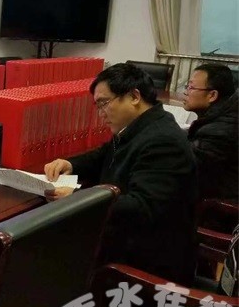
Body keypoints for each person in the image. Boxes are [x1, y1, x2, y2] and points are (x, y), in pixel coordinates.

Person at [44, 63, 197, 285]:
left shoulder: (163, 141)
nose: (100, 114)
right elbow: (105, 154)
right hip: (126, 242)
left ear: (134, 96)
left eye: (104, 103)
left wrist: (78, 198)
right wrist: (70, 164)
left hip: (145, 267)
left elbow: (141, 207)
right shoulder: (141, 126)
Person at [182, 63, 238, 202]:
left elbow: (186, 168)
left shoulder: (219, 131)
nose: (185, 92)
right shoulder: (227, 113)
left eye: (191, 87)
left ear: (212, 95)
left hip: (220, 205)